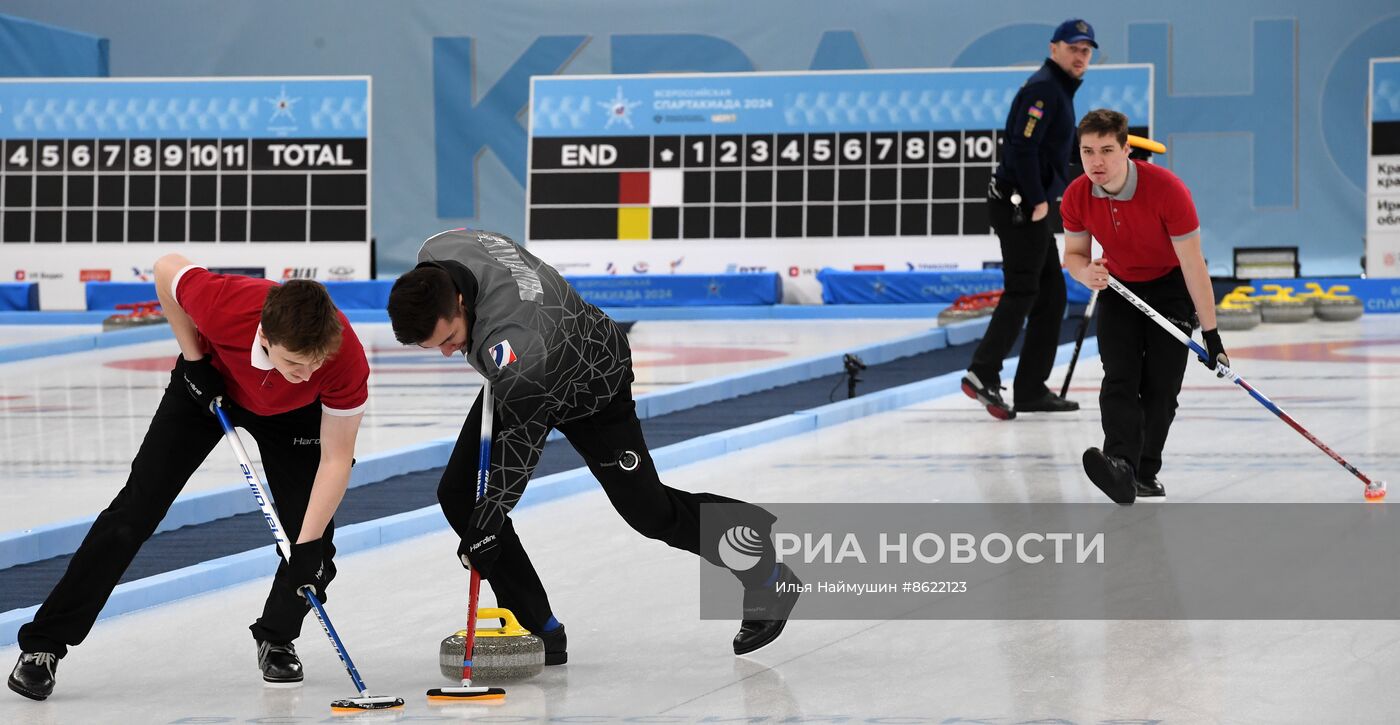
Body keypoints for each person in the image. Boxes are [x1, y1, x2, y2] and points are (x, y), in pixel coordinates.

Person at [386, 228, 800, 661]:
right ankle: (538, 631)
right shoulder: (439, 249)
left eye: (450, 340)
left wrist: (489, 522)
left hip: (591, 383)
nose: (449, 354)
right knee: (458, 494)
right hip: (520, 368)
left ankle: (765, 572)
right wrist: (485, 521)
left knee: (650, 513)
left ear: (460, 303)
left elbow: (520, 451)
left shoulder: (517, 344)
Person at [8, 257, 369, 701]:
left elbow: (336, 459)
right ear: (265, 336)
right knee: (133, 512)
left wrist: (308, 546)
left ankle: (276, 636)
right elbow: (165, 271)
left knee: (312, 545)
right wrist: (195, 360)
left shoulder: (343, 357)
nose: (309, 373)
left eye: (316, 363)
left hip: (294, 416)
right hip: (209, 386)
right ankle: (44, 645)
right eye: (296, 362)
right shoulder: (227, 303)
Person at [1062, 109, 1228, 504]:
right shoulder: (1076, 195)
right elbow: (1073, 254)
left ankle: (1145, 471)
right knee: (1119, 377)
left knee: (1161, 388)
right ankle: (1120, 465)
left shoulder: (1168, 190)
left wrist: (1211, 334)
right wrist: (1085, 274)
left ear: (1126, 149)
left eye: (1106, 150)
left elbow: (1193, 265)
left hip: (1170, 288)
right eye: (1087, 151)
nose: (1096, 162)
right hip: (1120, 288)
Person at [962, 18, 1096, 420]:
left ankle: (1031, 388)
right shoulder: (1043, 89)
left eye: (1087, 51)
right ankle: (982, 372)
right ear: (1054, 48)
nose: (1080, 57)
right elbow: (1021, 146)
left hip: (1027, 205)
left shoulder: (1058, 90)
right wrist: (1037, 200)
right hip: (1019, 205)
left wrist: (1102, 154)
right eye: (1073, 48)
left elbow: (1057, 147)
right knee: (1023, 290)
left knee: (1051, 296)